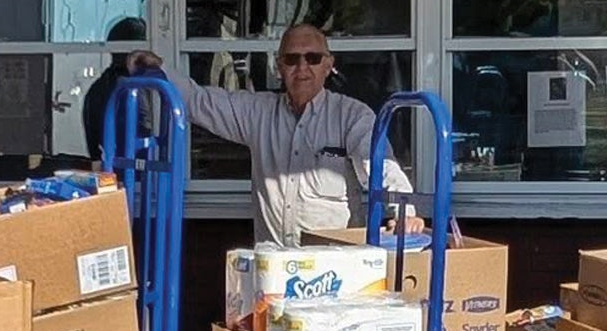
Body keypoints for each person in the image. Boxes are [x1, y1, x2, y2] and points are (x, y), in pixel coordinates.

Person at [128, 24, 409, 245]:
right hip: (273, 271)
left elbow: (380, 166)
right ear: (279, 66)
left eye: (312, 58)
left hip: (335, 271)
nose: (302, 67)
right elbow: (198, 102)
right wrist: (158, 68)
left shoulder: (352, 115)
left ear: (328, 65)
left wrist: (405, 213)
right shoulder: (259, 112)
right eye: (291, 59)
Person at [81, 17, 150, 164]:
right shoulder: (138, 87)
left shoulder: (98, 88)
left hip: (111, 171)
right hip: (141, 170)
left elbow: (94, 148)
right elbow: (149, 129)